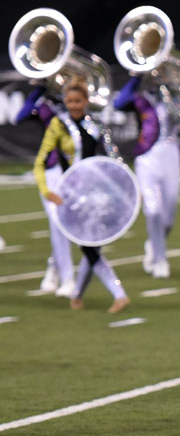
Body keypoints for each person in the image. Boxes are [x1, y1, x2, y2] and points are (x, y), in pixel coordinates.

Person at [33, 80, 130, 313]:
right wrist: (48, 192)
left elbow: (113, 158)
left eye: (78, 101)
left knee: (91, 245)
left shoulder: (96, 124)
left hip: (95, 193)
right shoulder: (58, 125)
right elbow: (40, 162)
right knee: (89, 246)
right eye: (69, 101)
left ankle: (76, 296)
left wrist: (127, 187)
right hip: (72, 195)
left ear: (86, 101)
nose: (73, 105)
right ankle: (119, 294)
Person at [113, 74, 180, 279]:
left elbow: (179, 117)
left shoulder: (172, 96)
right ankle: (160, 260)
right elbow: (119, 102)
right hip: (146, 157)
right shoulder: (140, 98)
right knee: (152, 210)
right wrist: (136, 77)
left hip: (170, 155)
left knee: (168, 216)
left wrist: (167, 89)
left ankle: (154, 243)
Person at [15, 83, 76, 297]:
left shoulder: (79, 106)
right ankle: (68, 278)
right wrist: (40, 88)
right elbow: (20, 117)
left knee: (69, 225)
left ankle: (54, 266)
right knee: (56, 222)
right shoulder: (46, 107)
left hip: (77, 172)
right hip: (51, 172)